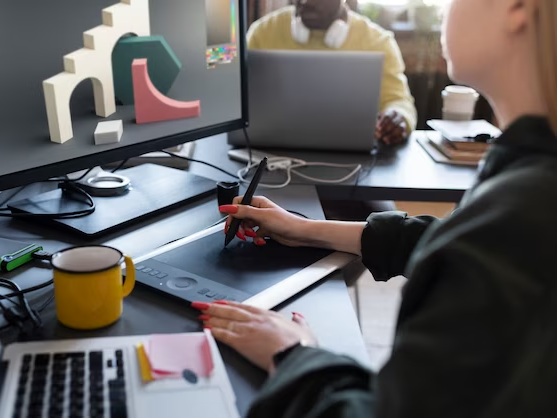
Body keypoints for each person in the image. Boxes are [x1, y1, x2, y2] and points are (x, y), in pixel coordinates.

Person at [193, 0, 557, 416]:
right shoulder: (524, 188)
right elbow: (454, 242)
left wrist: (297, 355)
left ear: (518, 8)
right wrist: (304, 228)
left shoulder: (525, 209)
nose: (444, 11)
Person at [247, 0, 417, 146]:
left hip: (353, 165)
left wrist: (398, 117)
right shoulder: (262, 32)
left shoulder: (378, 41)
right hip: (269, 157)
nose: (307, 2)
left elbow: (398, 100)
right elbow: (236, 94)